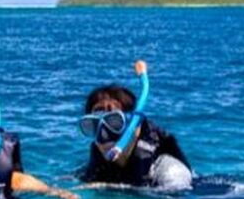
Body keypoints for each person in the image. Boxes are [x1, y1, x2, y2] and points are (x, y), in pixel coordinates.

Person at [78, 61, 192, 191]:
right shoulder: (99, 163)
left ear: (136, 127)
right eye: (93, 125)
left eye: (114, 122)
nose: (103, 135)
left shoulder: (171, 173)